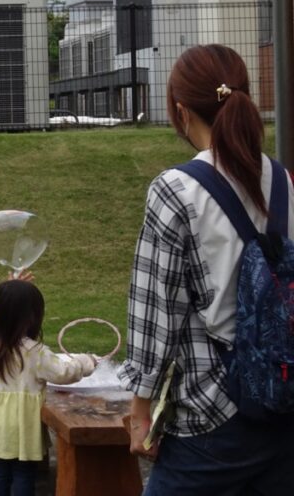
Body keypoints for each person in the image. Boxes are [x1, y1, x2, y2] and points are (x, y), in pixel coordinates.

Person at [120, 44, 294, 495]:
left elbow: (157, 316)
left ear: (180, 111)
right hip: (282, 404)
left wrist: (140, 410)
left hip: (212, 413)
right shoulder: (284, 182)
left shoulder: (175, 189)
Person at [0, 279, 96, 496]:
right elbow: (63, 373)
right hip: (23, 426)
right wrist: (86, 362)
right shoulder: (34, 352)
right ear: (31, 316)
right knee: (23, 471)